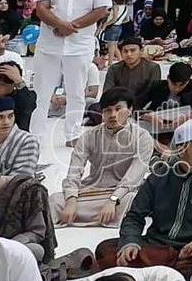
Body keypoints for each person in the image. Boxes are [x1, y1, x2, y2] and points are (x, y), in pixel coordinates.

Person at [100, 120, 192, 278]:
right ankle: (171, 264)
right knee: (105, 248)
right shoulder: (160, 176)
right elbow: (135, 216)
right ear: (181, 150)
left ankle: (149, 268)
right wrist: (130, 242)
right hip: (156, 244)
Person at [29, 0, 112, 144]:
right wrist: (60, 24)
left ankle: (72, 135)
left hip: (79, 46)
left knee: (76, 93)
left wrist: (71, 26)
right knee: (41, 93)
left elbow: (101, 10)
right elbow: (41, 8)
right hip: (49, 46)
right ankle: (35, 136)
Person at [56, 88, 155, 227]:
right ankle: (94, 215)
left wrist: (113, 199)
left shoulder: (143, 138)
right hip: (93, 189)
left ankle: (83, 215)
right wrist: (71, 200)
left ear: (130, 110)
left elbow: (133, 177)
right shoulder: (89, 136)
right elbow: (74, 171)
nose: (113, 115)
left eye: (118, 109)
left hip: (124, 193)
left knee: (132, 200)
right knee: (55, 200)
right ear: (102, 113)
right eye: (108, 110)